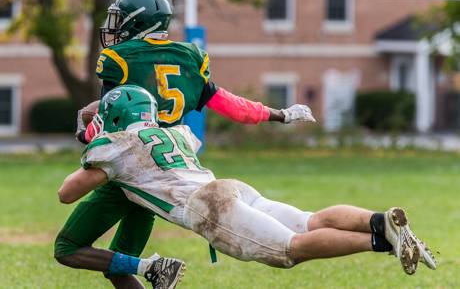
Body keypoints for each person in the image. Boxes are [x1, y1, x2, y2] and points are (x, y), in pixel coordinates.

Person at [54, 0, 316, 289]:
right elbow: (230, 105)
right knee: (118, 266)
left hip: (127, 166)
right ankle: (149, 267)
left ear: (137, 22)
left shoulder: (119, 58)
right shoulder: (189, 56)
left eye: (121, 19)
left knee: (68, 247)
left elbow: (108, 125)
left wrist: (84, 130)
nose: (115, 26)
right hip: (170, 169)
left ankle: (150, 265)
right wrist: (279, 114)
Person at [58, 86, 437, 288]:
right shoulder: (175, 134)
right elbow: (181, 143)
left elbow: (68, 192)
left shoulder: (116, 146)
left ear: (117, 118)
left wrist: (89, 139)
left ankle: (383, 240)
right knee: (309, 221)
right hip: (227, 186)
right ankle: (378, 220)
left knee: (291, 250)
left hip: (207, 206)